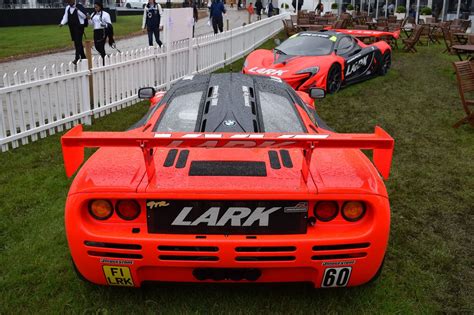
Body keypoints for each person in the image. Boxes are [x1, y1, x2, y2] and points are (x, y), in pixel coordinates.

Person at [59, 0, 88, 64]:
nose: (69, 3)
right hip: (72, 27)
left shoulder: (79, 6)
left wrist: (77, 10)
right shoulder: (67, 8)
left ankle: (77, 58)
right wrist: (62, 23)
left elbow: (84, 16)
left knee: (77, 42)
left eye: (69, 2)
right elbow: (65, 17)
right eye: (68, 2)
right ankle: (83, 57)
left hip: (79, 27)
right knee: (77, 42)